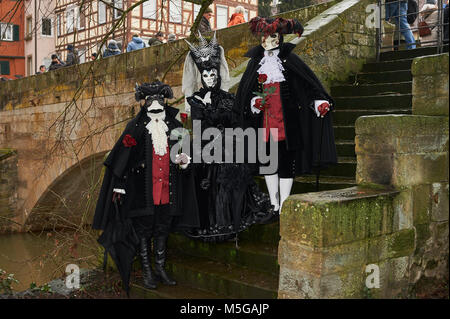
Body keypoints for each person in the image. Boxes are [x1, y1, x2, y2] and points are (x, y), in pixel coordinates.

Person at [92, 81, 199, 293]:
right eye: (151, 101)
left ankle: (160, 268)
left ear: (165, 102)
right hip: (143, 192)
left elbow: (186, 153)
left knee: (162, 229)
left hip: (169, 190)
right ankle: (148, 270)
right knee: (144, 231)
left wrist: (185, 160)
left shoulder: (175, 126)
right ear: (145, 103)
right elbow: (121, 159)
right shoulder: (136, 127)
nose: (156, 104)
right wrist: (120, 185)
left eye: (160, 100)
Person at [234, 17, 337, 221]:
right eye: (264, 37)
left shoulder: (290, 60)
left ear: (279, 37)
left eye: (272, 36)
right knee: (269, 165)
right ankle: (273, 203)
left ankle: (284, 203)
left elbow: (306, 86)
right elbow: (246, 92)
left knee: (286, 163)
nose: (267, 41)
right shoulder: (256, 62)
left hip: (288, 123)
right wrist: (254, 103)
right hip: (264, 123)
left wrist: (317, 102)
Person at [182, 32, 271, 241]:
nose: (210, 78)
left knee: (232, 163)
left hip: (228, 145)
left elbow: (236, 123)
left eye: (213, 74)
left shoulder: (229, 98)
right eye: (206, 75)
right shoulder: (196, 100)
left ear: (218, 74)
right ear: (200, 77)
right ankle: (219, 223)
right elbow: (201, 128)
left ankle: (234, 217)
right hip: (207, 149)